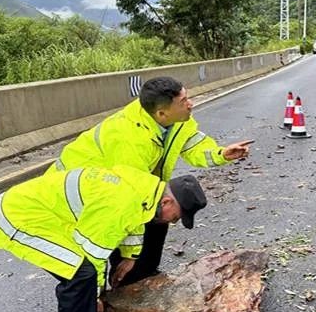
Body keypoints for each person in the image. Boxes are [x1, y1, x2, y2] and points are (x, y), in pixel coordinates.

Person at [0, 166, 208, 312]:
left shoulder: (145, 189)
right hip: (19, 218)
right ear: (167, 202)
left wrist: (130, 256)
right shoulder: (119, 203)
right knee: (79, 273)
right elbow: (93, 254)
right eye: (175, 217)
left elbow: (136, 219)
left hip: (47, 215)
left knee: (83, 273)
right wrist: (94, 297)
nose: (172, 222)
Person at [49, 76, 251, 286]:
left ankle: (143, 278)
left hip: (125, 189)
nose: (190, 104)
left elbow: (192, 145)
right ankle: (122, 288)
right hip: (73, 195)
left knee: (159, 217)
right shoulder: (129, 139)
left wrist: (221, 154)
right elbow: (130, 203)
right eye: (183, 102)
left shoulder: (176, 121)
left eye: (187, 97)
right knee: (96, 253)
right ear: (161, 113)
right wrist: (130, 255)